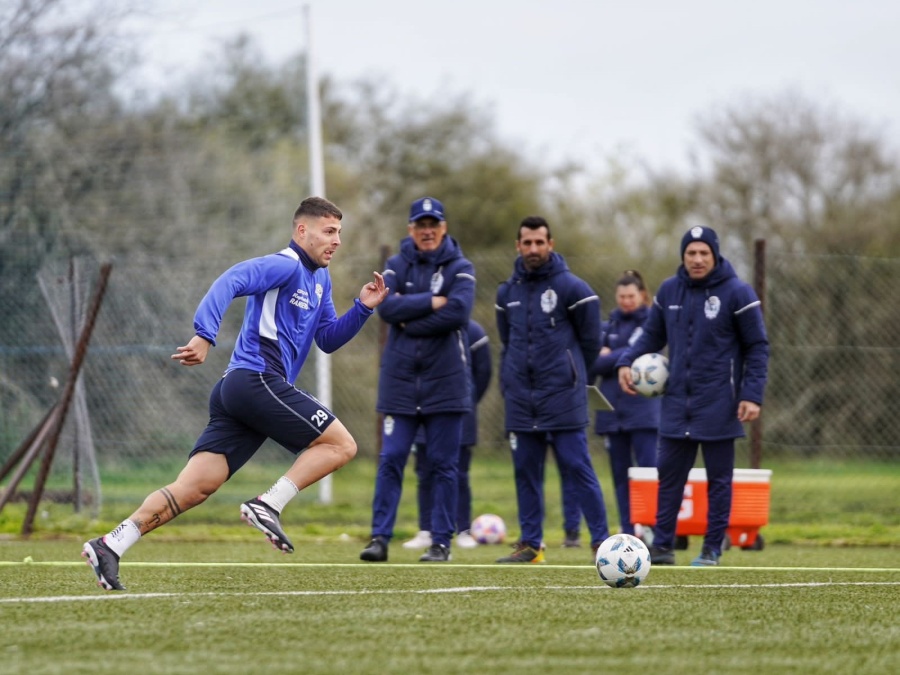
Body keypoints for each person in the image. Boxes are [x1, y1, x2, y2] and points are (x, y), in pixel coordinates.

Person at [81, 196, 388, 591]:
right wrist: (205, 333)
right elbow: (232, 279)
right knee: (341, 445)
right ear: (302, 231)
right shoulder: (285, 265)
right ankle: (268, 504)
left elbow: (327, 339)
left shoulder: (320, 280)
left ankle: (111, 544)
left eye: (339, 233)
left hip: (239, 392)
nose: (337, 241)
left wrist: (362, 308)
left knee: (194, 488)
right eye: (329, 232)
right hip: (255, 380)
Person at [617, 226, 768, 566]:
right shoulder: (669, 290)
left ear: (715, 255)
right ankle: (663, 547)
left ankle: (712, 548)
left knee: (719, 481)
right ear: (683, 256)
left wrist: (751, 394)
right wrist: (626, 361)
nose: (697, 259)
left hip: (719, 402)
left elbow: (758, 347)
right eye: (691, 253)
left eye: (704, 253)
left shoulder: (738, 293)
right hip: (675, 404)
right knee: (668, 477)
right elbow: (650, 337)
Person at [360, 196, 476, 563]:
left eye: (434, 225)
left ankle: (441, 542)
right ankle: (380, 538)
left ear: (443, 228)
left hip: (447, 383)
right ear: (411, 229)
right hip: (401, 383)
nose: (427, 231)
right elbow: (388, 308)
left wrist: (411, 316)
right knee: (391, 458)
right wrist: (433, 301)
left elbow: (458, 313)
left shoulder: (462, 267)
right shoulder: (395, 265)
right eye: (420, 225)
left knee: (444, 464)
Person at [494, 216, 610, 563]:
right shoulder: (507, 292)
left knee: (578, 467)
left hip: (562, 396)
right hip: (520, 398)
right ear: (518, 246)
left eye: (539, 243)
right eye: (526, 243)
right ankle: (531, 545)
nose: (533, 249)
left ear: (551, 244)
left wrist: (573, 376)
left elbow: (591, 343)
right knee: (526, 471)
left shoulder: (574, 288)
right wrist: (510, 380)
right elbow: (507, 340)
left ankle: (601, 543)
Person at [402, 319, 492, 550]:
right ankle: (426, 530)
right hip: (421, 409)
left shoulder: (473, 331)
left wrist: (465, 402)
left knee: (458, 473)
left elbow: (483, 372)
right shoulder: (415, 325)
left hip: (458, 412)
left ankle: (462, 530)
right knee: (425, 473)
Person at [589, 270, 660, 538]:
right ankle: (629, 529)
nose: (626, 301)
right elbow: (594, 361)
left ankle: (653, 527)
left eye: (631, 296)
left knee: (648, 473)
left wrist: (611, 356)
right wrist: (611, 357)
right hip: (611, 412)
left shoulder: (653, 323)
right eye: (622, 296)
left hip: (643, 412)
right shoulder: (610, 324)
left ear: (642, 295)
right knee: (620, 475)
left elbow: (639, 351)